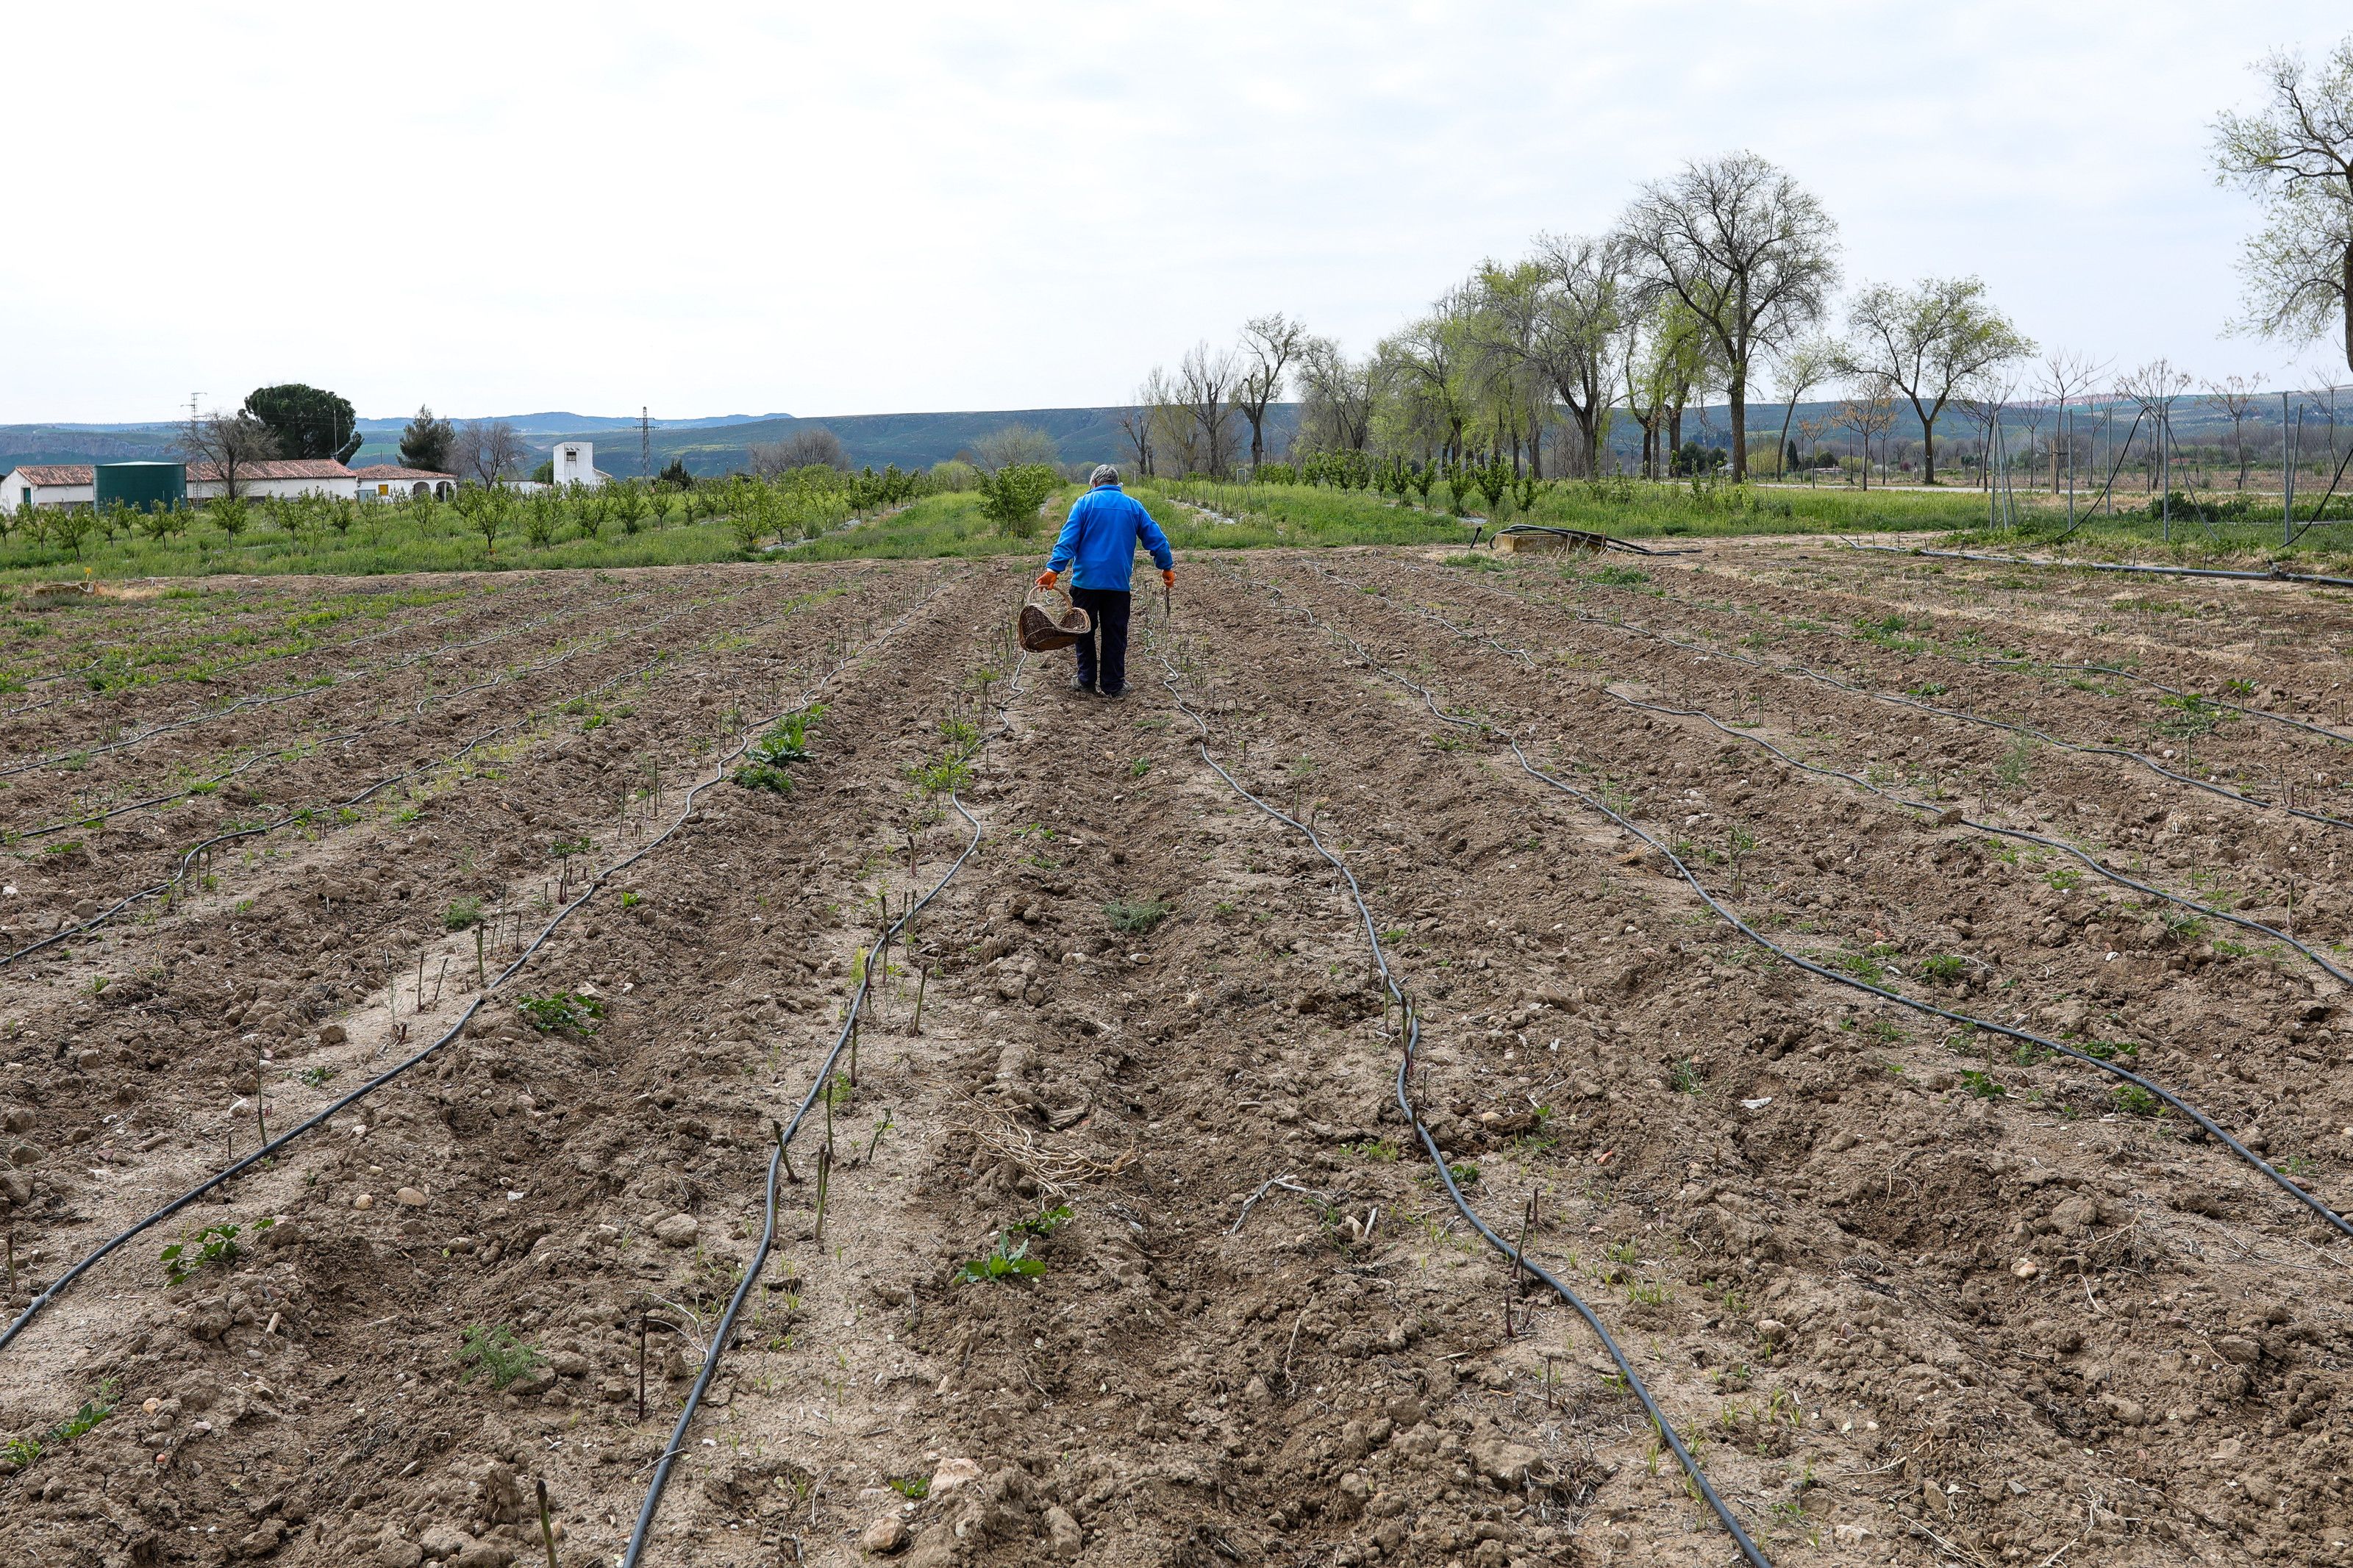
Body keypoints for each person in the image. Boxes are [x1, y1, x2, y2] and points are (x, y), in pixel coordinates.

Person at [1035, 465, 1174, 700]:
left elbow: (1067, 541)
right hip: (1117, 584)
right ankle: (1113, 685)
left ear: (1095, 484)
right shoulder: (1133, 506)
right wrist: (1166, 567)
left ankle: (1086, 680)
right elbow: (1157, 540)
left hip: (1085, 583)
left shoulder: (1083, 504)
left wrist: (1053, 570)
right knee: (1115, 632)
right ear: (1117, 484)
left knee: (1084, 631)